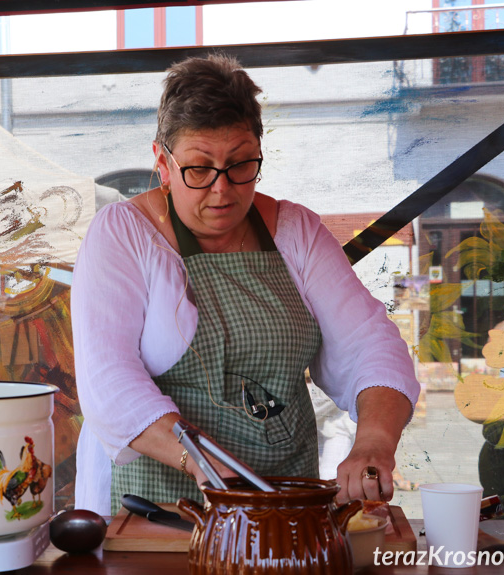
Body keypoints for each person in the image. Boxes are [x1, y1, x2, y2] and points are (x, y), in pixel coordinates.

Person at [71, 53, 420, 516]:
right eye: (199, 169)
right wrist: (202, 460)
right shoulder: (123, 234)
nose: (222, 190)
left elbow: (370, 345)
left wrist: (374, 442)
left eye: (240, 165)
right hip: (159, 512)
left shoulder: (296, 231)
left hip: (282, 503)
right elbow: (108, 383)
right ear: (162, 162)